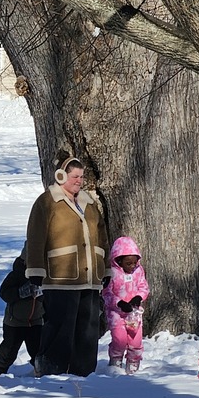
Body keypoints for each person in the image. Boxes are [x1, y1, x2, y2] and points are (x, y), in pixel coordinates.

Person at [24, 154, 110, 377]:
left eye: (81, 176)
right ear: (61, 176)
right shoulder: (47, 202)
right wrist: (35, 269)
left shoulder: (89, 204)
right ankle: (52, 368)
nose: (79, 181)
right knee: (60, 326)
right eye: (74, 176)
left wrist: (106, 268)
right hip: (60, 276)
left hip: (90, 277)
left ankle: (84, 370)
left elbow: (103, 237)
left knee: (88, 329)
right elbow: (35, 237)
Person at [0, 249, 45, 377]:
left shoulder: (44, 276)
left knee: (38, 350)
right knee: (8, 351)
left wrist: (42, 294)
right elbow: (4, 293)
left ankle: (43, 372)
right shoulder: (16, 274)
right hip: (14, 322)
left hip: (36, 321)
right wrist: (21, 292)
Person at [102, 236, 150, 374]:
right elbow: (107, 293)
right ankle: (116, 363)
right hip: (116, 314)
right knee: (120, 340)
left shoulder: (138, 271)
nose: (132, 266)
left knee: (136, 342)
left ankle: (133, 364)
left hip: (134, 313)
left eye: (134, 263)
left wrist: (138, 297)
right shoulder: (112, 273)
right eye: (128, 263)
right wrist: (119, 303)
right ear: (119, 260)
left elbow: (143, 287)